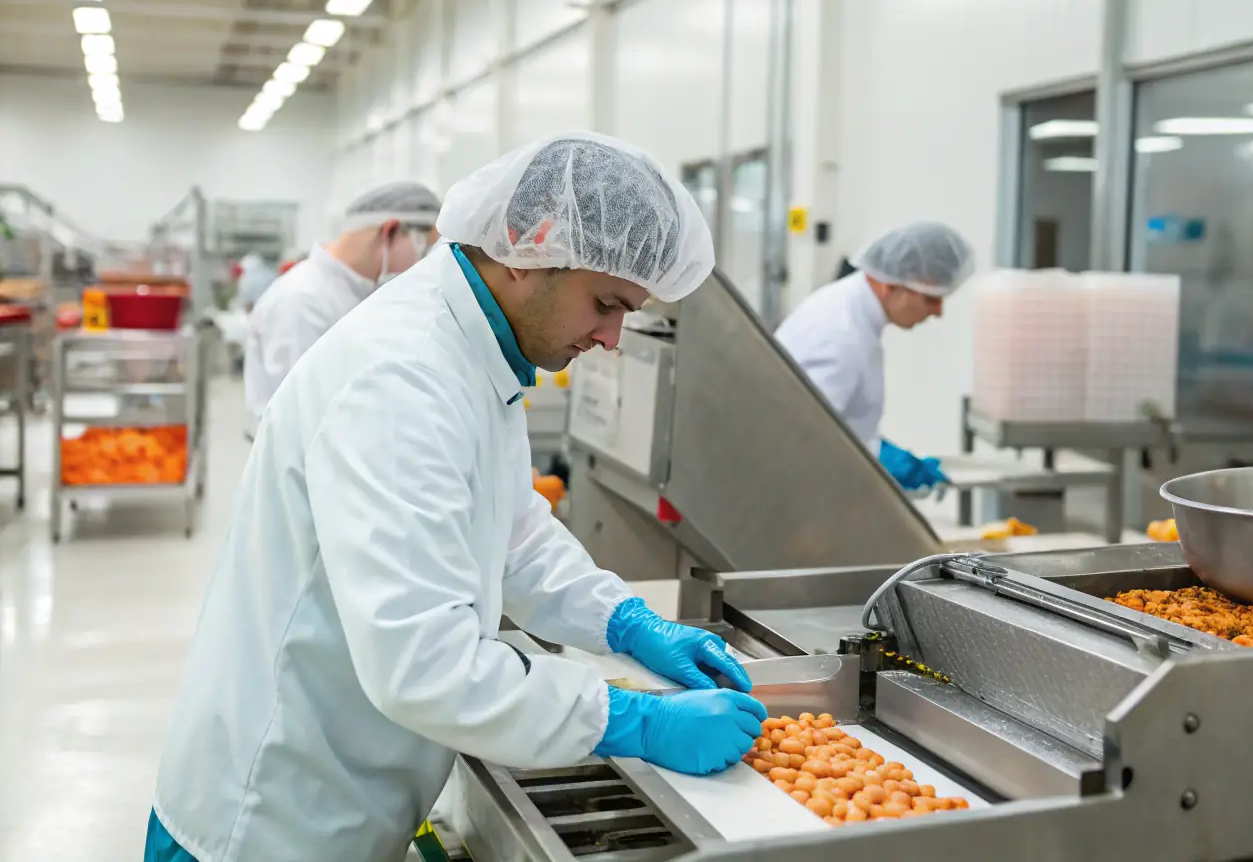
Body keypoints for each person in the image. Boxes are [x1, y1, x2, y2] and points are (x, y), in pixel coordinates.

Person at [145, 134, 764, 862]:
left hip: (340, 787)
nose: (611, 336)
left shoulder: (474, 350)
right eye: (604, 303)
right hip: (270, 817)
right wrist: (629, 719)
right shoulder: (402, 378)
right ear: (526, 248)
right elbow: (423, 662)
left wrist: (624, 621)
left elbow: (512, 533)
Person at [776, 221, 974, 492]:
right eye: (931, 298)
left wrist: (877, 449)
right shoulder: (837, 335)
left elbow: (837, 419)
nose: (938, 312)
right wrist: (880, 460)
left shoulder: (853, 315)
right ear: (889, 286)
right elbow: (804, 436)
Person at [243, 182, 441, 438]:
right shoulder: (303, 301)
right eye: (422, 249)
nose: (422, 262)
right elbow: (303, 417)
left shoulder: (356, 293)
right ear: (389, 231)